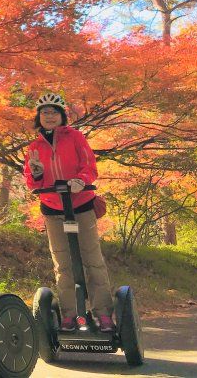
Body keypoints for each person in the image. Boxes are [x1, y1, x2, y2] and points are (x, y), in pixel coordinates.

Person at [24, 92, 115, 332]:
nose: (49, 116)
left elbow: (89, 166)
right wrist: (36, 173)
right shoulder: (34, 147)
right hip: (53, 209)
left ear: (62, 115)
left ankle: (103, 314)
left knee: (92, 260)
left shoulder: (75, 137)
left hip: (81, 205)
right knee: (62, 264)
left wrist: (80, 180)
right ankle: (69, 315)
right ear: (39, 117)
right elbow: (32, 183)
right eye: (45, 112)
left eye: (54, 112)